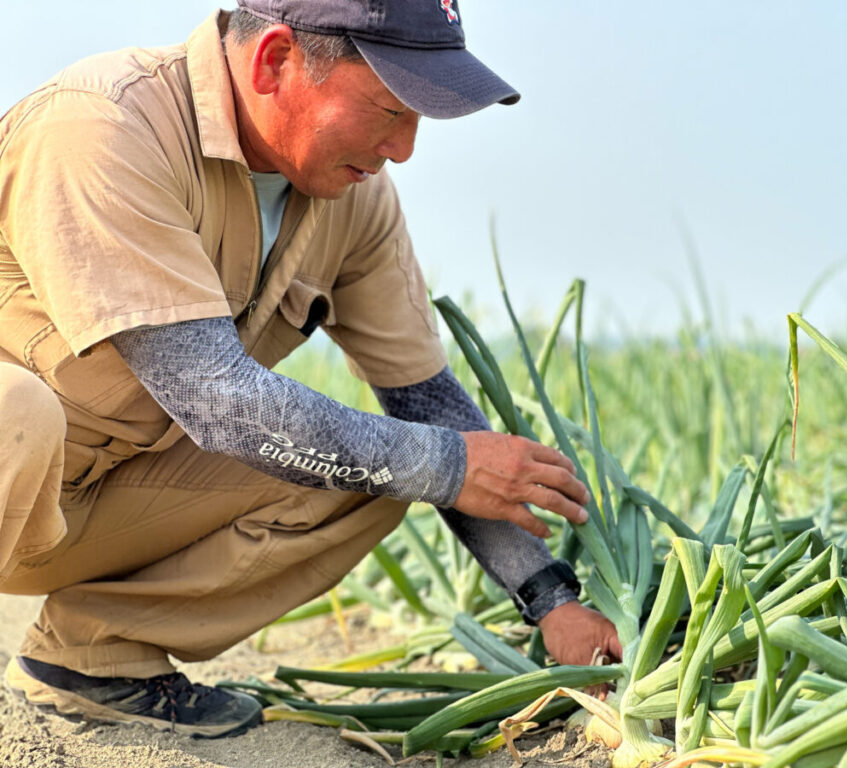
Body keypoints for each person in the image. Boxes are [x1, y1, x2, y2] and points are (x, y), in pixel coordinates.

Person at [0, 0, 621, 738]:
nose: (405, 148)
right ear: (275, 60)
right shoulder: (103, 127)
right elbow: (216, 399)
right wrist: (449, 463)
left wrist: (553, 599)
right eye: (390, 109)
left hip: (87, 501)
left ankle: (92, 659)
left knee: (383, 468)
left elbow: (427, 406)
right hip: (15, 462)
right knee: (17, 411)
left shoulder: (353, 200)